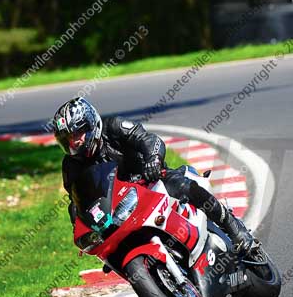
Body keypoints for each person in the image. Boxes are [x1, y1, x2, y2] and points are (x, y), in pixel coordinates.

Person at [52, 97, 253, 253]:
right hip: (121, 207)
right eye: (67, 139)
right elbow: (76, 201)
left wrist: (153, 160)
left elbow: (149, 140)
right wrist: (79, 224)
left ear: (90, 125)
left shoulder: (113, 127)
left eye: (77, 134)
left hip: (151, 180)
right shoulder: (71, 165)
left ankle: (233, 227)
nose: (74, 142)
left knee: (184, 187)